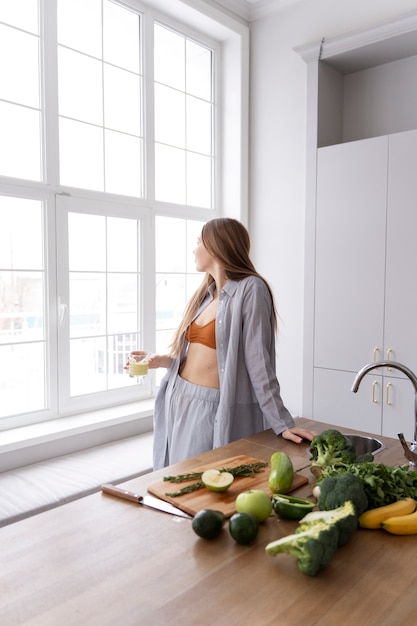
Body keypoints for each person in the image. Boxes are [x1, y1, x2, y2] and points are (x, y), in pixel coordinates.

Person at [131, 217, 317, 470]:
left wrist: (282, 422)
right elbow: (202, 357)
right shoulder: (206, 296)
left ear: (215, 246)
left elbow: (258, 362)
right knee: (175, 482)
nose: (194, 249)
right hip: (178, 396)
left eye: (198, 242)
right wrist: (163, 361)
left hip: (210, 407)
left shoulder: (251, 289)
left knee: (201, 483)